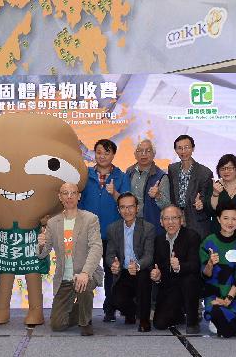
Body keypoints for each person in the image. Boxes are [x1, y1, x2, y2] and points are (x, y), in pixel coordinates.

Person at [38, 183, 104, 336]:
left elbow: (96, 247)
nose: (69, 196)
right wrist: (41, 245)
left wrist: (85, 273)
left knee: (84, 285)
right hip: (64, 278)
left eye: (73, 193)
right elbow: (43, 253)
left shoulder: (90, 219)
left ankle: (85, 321)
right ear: (60, 197)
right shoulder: (53, 223)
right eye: (65, 193)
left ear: (79, 196)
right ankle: (82, 309)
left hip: (86, 274)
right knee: (57, 325)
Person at [79, 139, 130, 323]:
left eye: (106, 153)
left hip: (112, 233)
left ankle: (110, 309)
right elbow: (78, 200)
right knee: (85, 271)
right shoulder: (85, 174)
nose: (102, 156)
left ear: (113, 155)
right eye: (99, 152)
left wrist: (115, 193)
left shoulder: (121, 176)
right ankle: (83, 310)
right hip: (88, 232)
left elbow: (127, 204)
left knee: (112, 271)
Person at [105, 192, 155, 331]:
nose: (127, 211)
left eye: (131, 207)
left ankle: (144, 320)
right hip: (124, 271)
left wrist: (138, 265)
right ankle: (131, 312)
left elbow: (149, 255)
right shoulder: (112, 228)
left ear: (137, 208)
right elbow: (109, 254)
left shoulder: (148, 228)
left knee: (144, 279)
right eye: (123, 207)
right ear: (118, 210)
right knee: (116, 299)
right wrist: (113, 264)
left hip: (141, 269)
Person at [199, 202, 236, 338]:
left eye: (234, 218)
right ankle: (226, 321)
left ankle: (227, 321)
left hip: (235, 294)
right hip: (214, 294)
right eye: (226, 218)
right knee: (216, 313)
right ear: (218, 219)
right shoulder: (208, 241)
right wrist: (210, 263)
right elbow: (205, 275)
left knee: (231, 326)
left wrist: (228, 298)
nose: (230, 222)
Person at [150, 205, 201, 332]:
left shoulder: (192, 236)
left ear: (182, 220)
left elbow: (195, 265)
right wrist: (157, 276)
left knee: (189, 280)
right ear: (161, 222)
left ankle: (193, 321)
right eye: (166, 218)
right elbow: (157, 267)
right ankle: (178, 314)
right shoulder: (159, 240)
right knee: (159, 324)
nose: (170, 222)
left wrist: (179, 266)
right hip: (170, 287)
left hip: (188, 283)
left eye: (174, 218)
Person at [160, 135, 214, 239]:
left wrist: (201, 203)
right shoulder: (172, 168)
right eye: (179, 148)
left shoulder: (205, 172)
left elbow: (207, 198)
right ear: (175, 150)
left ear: (193, 148)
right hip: (176, 219)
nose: (183, 151)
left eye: (186, 147)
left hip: (196, 219)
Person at [125, 139, 167, 234]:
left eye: (148, 151)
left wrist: (158, 196)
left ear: (154, 154)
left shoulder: (161, 176)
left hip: (151, 226)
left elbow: (167, 205)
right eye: (140, 151)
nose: (143, 154)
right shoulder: (128, 172)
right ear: (135, 154)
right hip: (130, 224)